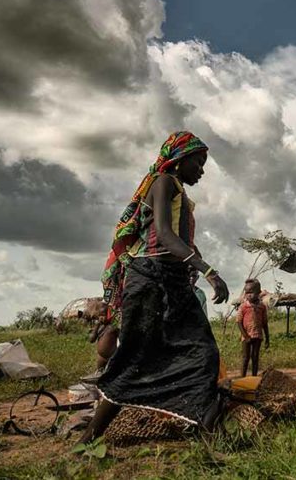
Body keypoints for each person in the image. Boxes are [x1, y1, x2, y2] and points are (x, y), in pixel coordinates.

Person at [78, 131, 230, 444]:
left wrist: (193, 260)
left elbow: (179, 239)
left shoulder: (179, 193)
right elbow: (162, 234)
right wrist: (208, 270)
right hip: (151, 279)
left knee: (200, 355)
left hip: (166, 279)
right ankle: (87, 441)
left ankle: (207, 432)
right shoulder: (164, 182)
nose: (202, 170)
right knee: (137, 360)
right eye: (198, 163)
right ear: (178, 160)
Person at [237, 279, 269, 377]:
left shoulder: (262, 307)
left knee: (255, 357)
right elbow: (239, 322)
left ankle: (254, 378)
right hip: (246, 336)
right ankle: (242, 379)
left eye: (251, 292)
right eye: (247, 293)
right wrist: (245, 336)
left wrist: (268, 338)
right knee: (245, 358)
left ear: (258, 293)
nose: (248, 295)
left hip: (257, 335)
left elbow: (264, 323)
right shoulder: (243, 307)